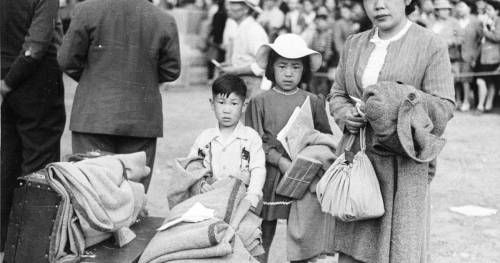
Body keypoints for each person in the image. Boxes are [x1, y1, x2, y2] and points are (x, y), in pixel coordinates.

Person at [329, 0, 455, 262]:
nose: (379, 5)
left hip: (403, 166)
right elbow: (337, 94)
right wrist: (345, 116)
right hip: (359, 160)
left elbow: (443, 108)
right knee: (353, 247)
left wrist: (395, 102)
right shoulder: (354, 43)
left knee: (399, 248)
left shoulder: (430, 44)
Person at [57, 0, 181, 192]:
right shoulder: (163, 19)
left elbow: (66, 60)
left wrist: (94, 77)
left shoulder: (88, 10)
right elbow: (171, 70)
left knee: (92, 194)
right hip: (141, 117)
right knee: (133, 195)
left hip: (94, 114)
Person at [245, 33, 332, 263]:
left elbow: (325, 138)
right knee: (263, 230)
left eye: (296, 67)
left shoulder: (312, 100)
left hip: (303, 176)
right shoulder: (259, 101)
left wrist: (308, 157)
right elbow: (252, 140)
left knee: (304, 231)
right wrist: (278, 160)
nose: (288, 72)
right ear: (271, 68)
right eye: (282, 66)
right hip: (270, 176)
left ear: (304, 71)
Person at [0, 0, 66, 252]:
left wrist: (5, 83)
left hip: (7, 84)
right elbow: (36, 46)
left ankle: (5, 238)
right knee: (40, 163)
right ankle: (31, 245)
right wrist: (9, 81)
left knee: (9, 159)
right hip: (36, 84)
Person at [187, 74, 266, 208]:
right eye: (221, 102)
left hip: (241, 201)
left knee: (245, 228)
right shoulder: (205, 138)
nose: (227, 110)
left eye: (234, 103)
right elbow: (191, 166)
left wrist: (252, 195)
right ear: (212, 104)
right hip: (209, 200)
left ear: (244, 105)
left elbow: (258, 169)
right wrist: (200, 184)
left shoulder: (251, 137)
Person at [219, 0, 269, 99]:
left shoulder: (253, 30)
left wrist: (235, 70)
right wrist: (231, 64)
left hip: (252, 85)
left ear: (246, 9)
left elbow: (264, 64)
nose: (228, 7)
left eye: (234, 3)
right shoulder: (241, 27)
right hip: (243, 83)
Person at [455, 1, 482, 111]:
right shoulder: (455, 21)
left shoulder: (476, 21)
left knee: (466, 79)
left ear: (469, 8)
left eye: (462, 6)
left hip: (469, 55)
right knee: (456, 78)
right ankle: (457, 100)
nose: (459, 9)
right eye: (458, 7)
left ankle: (466, 101)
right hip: (455, 54)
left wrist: (475, 55)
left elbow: (480, 40)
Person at [476, 0, 500, 113]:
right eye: (486, 10)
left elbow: (497, 37)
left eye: (489, 9)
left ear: (497, 10)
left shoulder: (498, 21)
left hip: (494, 58)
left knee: (489, 82)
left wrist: (485, 31)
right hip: (483, 57)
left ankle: (486, 105)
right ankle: (482, 105)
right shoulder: (486, 20)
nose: (487, 12)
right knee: (482, 81)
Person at [309, 13, 336, 98]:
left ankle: (322, 98)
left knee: (323, 82)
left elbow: (328, 49)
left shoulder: (329, 34)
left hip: (324, 61)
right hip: (315, 59)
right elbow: (312, 46)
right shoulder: (315, 33)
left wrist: (325, 60)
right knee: (314, 81)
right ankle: (315, 97)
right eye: (318, 22)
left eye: (322, 22)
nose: (320, 24)